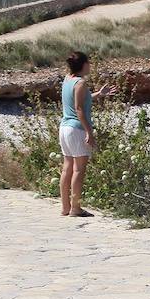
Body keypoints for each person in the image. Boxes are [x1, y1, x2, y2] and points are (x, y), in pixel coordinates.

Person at [58, 51, 112, 217]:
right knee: (79, 170)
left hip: (65, 127)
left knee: (67, 167)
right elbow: (79, 108)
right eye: (88, 62)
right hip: (77, 128)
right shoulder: (81, 83)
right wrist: (89, 131)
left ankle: (65, 207)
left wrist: (99, 94)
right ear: (83, 64)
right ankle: (76, 208)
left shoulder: (68, 79)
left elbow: (81, 100)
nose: (90, 65)